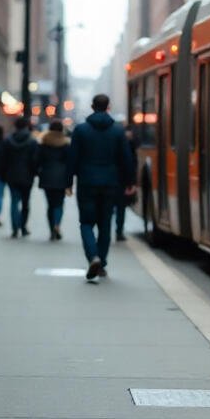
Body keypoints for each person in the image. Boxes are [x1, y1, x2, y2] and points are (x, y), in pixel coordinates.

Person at [66, 94, 135, 281]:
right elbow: (126, 159)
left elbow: (72, 158)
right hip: (111, 184)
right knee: (105, 224)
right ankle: (102, 262)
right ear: (108, 107)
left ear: (91, 106)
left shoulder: (80, 130)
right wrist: (129, 182)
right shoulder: (118, 131)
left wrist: (68, 183)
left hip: (87, 183)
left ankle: (93, 257)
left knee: (86, 223)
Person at [2, 117, 39, 238]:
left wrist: (4, 173)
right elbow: (35, 161)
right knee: (25, 203)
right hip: (27, 176)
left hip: (12, 175)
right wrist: (35, 173)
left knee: (14, 202)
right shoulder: (32, 141)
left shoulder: (8, 140)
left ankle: (14, 228)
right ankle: (23, 227)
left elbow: (4, 159)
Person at [37, 121, 70, 241]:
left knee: (50, 204)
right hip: (62, 177)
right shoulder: (66, 144)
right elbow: (70, 162)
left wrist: (38, 172)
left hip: (47, 176)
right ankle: (57, 225)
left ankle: (51, 229)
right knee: (59, 203)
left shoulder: (44, 143)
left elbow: (37, 160)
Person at [114, 126, 140, 242]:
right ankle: (119, 231)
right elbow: (131, 165)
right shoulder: (129, 146)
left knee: (113, 208)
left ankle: (117, 230)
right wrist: (131, 182)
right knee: (120, 208)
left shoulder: (114, 144)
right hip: (122, 180)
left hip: (114, 180)